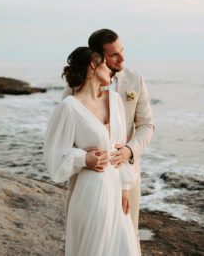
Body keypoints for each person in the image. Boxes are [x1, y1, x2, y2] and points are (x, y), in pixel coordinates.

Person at [61, 29, 156, 256]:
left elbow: (146, 125)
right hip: (88, 179)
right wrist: (84, 158)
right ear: (97, 58)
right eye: (113, 55)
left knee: (125, 237)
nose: (121, 58)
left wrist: (129, 150)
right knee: (82, 239)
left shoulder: (135, 80)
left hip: (125, 176)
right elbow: (67, 132)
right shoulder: (74, 90)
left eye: (121, 51)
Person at [43, 47, 140, 256]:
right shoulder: (68, 107)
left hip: (117, 192)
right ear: (93, 66)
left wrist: (124, 188)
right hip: (92, 193)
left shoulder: (114, 101)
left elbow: (120, 146)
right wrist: (82, 158)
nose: (110, 69)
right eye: (105, 64)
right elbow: (54, 156)